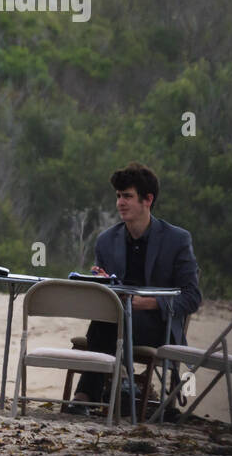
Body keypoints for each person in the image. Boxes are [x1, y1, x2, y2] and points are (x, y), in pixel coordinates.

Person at [70, 162, 201, 410]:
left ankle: (89, 394)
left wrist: (148, 302)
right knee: (110, 319)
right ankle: (116, 387)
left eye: (128, 196)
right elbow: (106, 289)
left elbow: (192, 296)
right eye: (119, 196)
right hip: (116, 318)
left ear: (147, 200)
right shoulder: (106, 240)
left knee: (109, 323)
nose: (120, 202)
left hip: (158, 325)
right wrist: (101, 282)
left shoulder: (177, 239)